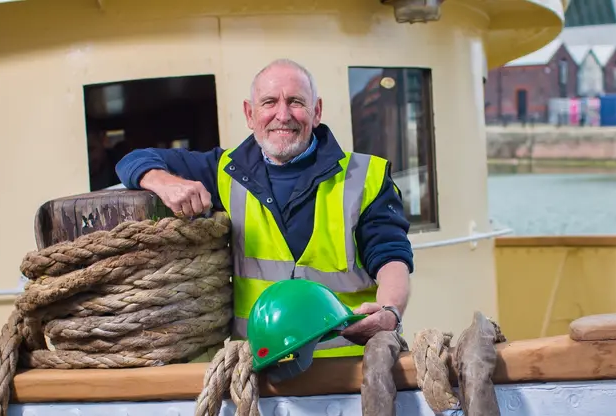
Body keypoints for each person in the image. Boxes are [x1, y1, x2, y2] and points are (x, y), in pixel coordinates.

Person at [115, 59, 413, 358]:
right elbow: (133, 160)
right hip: (260, 371)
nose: (282, 115)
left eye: (296, 102)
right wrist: (163, 182)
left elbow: (390, 257)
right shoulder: (225, 170)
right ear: (250, 113)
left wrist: (390, 311)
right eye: (269, 102)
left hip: (349, 369)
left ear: (316, 111)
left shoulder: (366, 176)